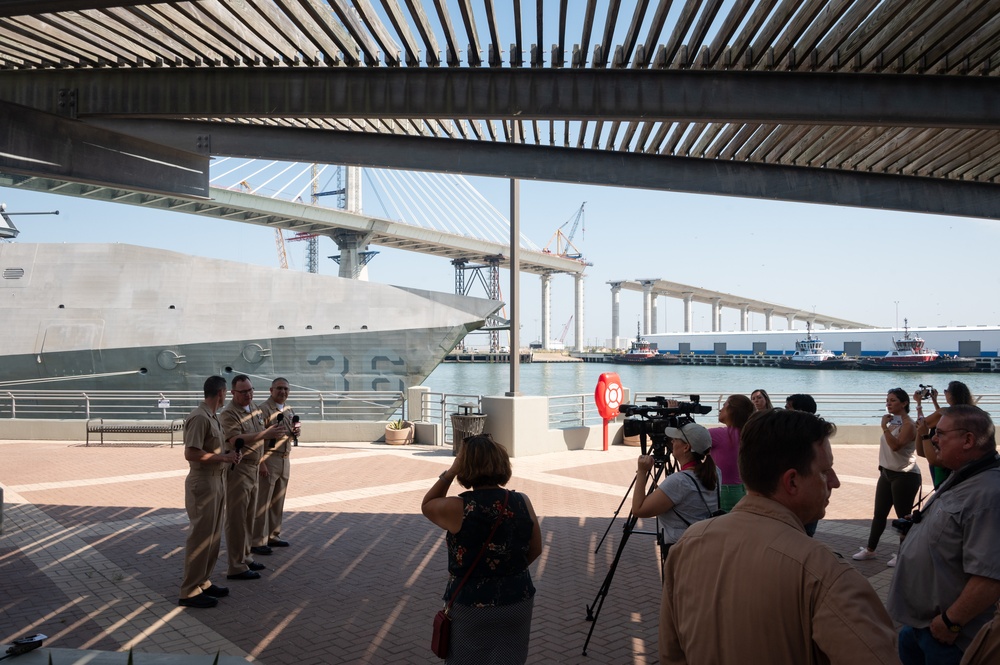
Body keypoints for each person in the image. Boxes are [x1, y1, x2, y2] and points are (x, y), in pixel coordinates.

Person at [659, 408, 899, 664]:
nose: (835, 482)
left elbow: (671, 655)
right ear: (792, 482)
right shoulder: (825, 574)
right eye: (825, 471)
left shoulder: (688, 544)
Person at [888, 405, 1000, 665]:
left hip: (950, 638)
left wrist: (951, 623)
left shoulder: (989, 494)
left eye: (939, 433)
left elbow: (990, 576)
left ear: (968, 440)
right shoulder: (967, 475)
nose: (933, 439)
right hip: (922, 627)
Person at [422, 434, 542, 664]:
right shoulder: (522, 501)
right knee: (510, 658)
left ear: (464, 467)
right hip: (518, 598)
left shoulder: (459, 507)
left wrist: (450, 471)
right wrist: (505, 570)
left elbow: (427, 504)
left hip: (471, 604)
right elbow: (535, 548)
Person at [178, 376, 240, 608]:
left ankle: (203, 581)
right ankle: (189, 591)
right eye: (227, 393)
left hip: (217, 480)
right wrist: (223, 457)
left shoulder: (213, 417)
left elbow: (211, 449)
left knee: (213, 536)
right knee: (201, 537)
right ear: (222, 393)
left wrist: (228, 454)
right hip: (203, 483)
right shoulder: (199, 417)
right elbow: (191, 453)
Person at [220, 374, 283, 580]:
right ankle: (235, 565)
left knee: (249, 517)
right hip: (239, 470)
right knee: (237, 519)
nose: (248, 395)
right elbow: (234, 437)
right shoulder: (229, 413)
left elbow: (260, 432)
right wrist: (265, 435)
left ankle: (245, 557)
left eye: (250, 390)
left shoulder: (255, 408)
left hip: (254, 468)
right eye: (243, 392)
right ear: (233, 393)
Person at [853, 388, 921, 567]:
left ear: (904, 403)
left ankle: (903, 554)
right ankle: (870, 549)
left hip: (905, 475)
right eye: (887, 400)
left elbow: (896, 446)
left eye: (893, 400)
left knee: (903, 517)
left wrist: (883, 427)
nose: (888, 403)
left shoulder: (908, 424)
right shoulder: (893, 423)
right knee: (879, 514)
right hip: (887, 473)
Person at [631, 422, 720, 554]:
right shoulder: (715, 472)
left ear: (686, 447)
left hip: (680, 549)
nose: (672, 441)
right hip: (704, 545)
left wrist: (642, 471)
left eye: (676, 439)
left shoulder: (679, 482)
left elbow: (638, 510)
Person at [254, 377, 300, 551]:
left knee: (277, 501)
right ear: (271, 390)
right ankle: (257, 540)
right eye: (279, 388)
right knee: (262, 502)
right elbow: (257, 439)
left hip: (284, 459)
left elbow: (289, 433)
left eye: (286, 389)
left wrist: (296, 432)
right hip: (269, 459)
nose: (283, 392)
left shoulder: (289, 410)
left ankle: (273, 535)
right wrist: (261, 463)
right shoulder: (263, 410)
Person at [914, 381, 974, 489]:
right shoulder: (968, 411)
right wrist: (935, 402)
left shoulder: (944, 412)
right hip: (961, 462)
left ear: (951, 395)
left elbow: (921, 423)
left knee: (941, 490)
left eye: (946, 391)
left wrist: (918, 404)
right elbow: (942, 418)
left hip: (941, 463)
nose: (945, 393)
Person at [709, 394, 754, 511]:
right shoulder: (748, 433)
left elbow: (687, 440)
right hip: (742, 490)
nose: (720, 409)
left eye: (724, 405)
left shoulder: (719, 434)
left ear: (732, 411)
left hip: (723, 491)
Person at [784, 393, 820, 535]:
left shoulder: (804, 437)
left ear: (799, 411)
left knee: (800, 535)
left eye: (788, 408)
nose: (784, 412)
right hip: (807, 494)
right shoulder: (818, 434)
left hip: (802, 494)